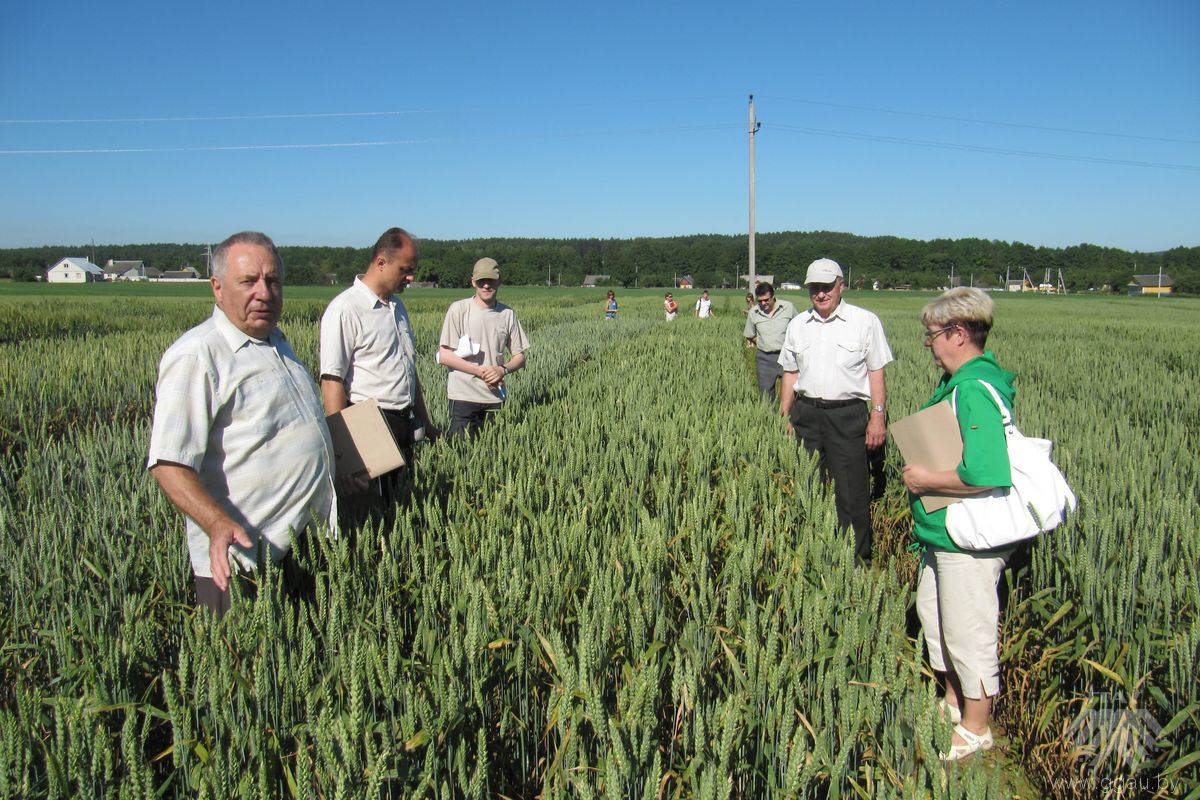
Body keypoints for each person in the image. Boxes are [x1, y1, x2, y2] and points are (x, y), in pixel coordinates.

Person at [147, 231, 335, 616]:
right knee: (245, 670)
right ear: (217, 288)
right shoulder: (199, 355)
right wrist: (216, 522)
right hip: (242, 561)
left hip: (301, 546)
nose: (263, 292)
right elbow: (168, 463)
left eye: (272, 281)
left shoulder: (277, 342)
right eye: (248, 281)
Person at [902, 287, 1014, 762]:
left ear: (959, 334)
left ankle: (976, 727)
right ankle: (952, 700)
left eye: (932, 336)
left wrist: (926, 477)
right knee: (936, 616)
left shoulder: (971, 387)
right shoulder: (959, 382)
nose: (929, 345)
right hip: (942, 534)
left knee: (968, 628)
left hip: (965, 539)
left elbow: (987, 472)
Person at [319, 227, 439, 521]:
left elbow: (408, 371)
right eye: (406, 270)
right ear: (381, 262)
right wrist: (343, 453)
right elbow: (332, 380)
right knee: (372, 514)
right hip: (369, 424)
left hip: (404, 423)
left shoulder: (397, 307)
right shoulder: (346, 309)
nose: (410, 277)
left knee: (399, 508)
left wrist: (425, 420)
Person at [778, 258, 892, 564]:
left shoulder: (864, 321)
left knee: (852, 490)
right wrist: (784, 415)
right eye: (815, 287)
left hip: (847, 414)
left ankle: (857, 561)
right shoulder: (798, 325)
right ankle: (812, 552)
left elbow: (876, 371)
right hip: (805, 414)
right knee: (807, 485)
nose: (821, 293)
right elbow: (790, 373)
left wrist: (878, 415)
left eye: (827, 286)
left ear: (841, 285)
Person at [438, 258, 530, 438]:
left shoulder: (507, 314)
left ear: (499, 281)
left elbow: (520, 356)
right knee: (460, 455)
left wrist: (502, 370)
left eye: (491, 280)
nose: (486, 285)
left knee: (492, 456)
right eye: (481, 281)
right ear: (473, 281)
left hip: (494, 398)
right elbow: (444, 356)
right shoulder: (458, 309)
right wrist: (481, 372)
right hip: (463, 398)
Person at [743, 282, 797, 401]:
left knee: (790, 395)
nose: (763, 303)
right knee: (766, 397)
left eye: (766, 300)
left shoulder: (788, 308)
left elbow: (799, 329)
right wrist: (763, 343)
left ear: (773, 296)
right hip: (764, 359)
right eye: (760, 301)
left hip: (786, 357)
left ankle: (786, 418)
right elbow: (750, 334)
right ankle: (769, 418)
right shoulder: (754, 312)